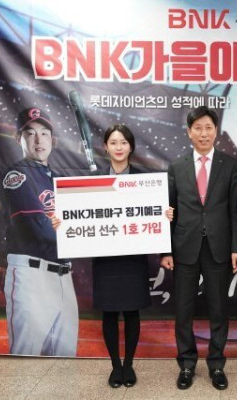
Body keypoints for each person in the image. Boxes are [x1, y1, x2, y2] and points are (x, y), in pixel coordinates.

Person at [52, 124, 173, 388]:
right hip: (105, 259)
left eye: (123, 143)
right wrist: (61, 222)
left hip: (133, 259)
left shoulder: (145, 181)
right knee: (108, 313)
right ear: (105, 147)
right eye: (114, 143)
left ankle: (128, 365)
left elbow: (156, 216)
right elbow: (76, 217)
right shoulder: (91, 181)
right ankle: (115, 366)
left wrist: (164, 216)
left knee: (131, 312)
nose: (119, 147)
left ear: (131, 147)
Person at [160, 106, 237, 391]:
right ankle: (186, 364)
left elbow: (234, 211)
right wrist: (166, 250)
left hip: (219, 247)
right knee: (183, 310)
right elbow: (168, 211)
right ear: (189, 133)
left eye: (208, 128)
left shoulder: (230, 165)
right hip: (185, 247)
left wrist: (236, 248)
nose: (204, 133)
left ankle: (216, 364)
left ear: (216, 131)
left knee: (219, 309)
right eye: (198, 128)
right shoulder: (177, 166)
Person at [1, 107, 78, 356]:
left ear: (52, 140)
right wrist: (85, 236)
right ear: (19, 138)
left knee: (65, 358)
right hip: (32, 275)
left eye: (44, 133)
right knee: (27, 356)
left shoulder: (58, 180)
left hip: (64, 276)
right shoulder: (17, 175)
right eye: (30, 133)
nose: (38, 139)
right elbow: (39, 227)